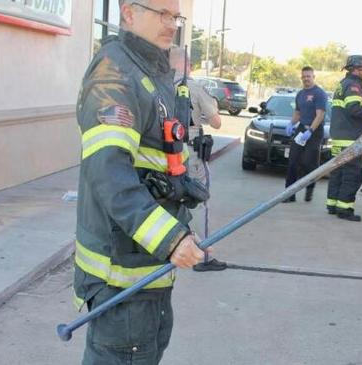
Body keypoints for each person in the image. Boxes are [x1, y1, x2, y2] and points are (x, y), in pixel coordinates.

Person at [73, 1, 209, 364]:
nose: (172, 24)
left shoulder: (150, 73)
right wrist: (170, 238)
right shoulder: (115, 73)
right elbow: (109, 174)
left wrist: (183, 229)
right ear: (128, 13)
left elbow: (158, 170)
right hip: (123, 280)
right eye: (161, 13)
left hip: (148, 274)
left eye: (175, 16)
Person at [169, 47, 227, 272]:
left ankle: (173, 246)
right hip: (191, 154)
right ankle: (204, 257)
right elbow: (216, 123)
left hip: (165, 154)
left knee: (169, 199)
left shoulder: (158, 86)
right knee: (202, 200)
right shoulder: (194, 87)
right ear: (188, 66)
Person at [326, 55, 362, 221]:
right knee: (352, 175)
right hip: (350, 139)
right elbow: (354, 109)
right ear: (354, 69)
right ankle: (344, 209)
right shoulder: (354, 85)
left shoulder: (342, 84)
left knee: (338, 173)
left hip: (339, 137)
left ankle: (332, 205)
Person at [283, 66, 328, 203]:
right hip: (301, 129)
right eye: (304, 76)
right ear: (301, 78)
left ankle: (310, 188)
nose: (306, 79)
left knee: (309, 162)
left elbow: (320, 115)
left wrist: (310, 131)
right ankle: (289, 194)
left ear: (313, 77)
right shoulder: (300, 94)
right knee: (293, 161)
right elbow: (297, 113)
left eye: (309, 76)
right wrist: (291, 124)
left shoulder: (319, 93)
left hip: (314, 131)